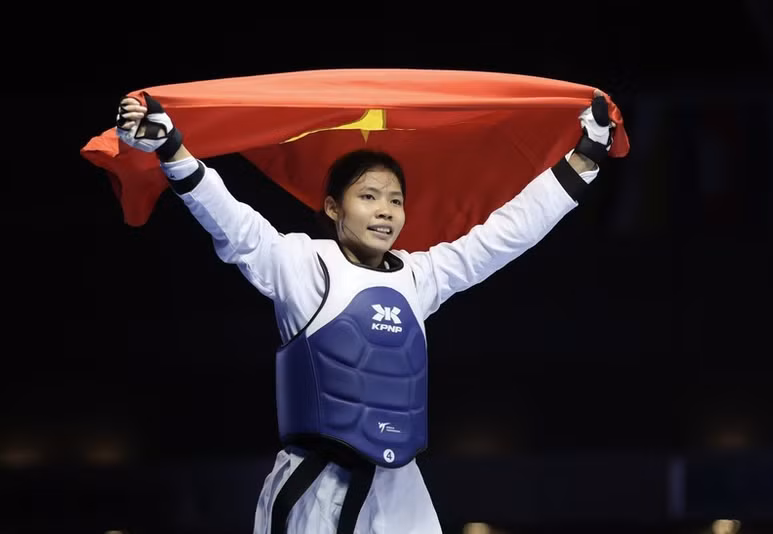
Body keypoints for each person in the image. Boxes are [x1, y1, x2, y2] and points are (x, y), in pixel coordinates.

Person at [115, 87, 616, 534]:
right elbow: (232, 222)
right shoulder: (301, 264)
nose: (385, 211)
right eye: (369, 196)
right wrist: (172, 150)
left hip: (400, 489)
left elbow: (507, 234)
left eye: (395, 200)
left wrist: (584, 159)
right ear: (334, 208)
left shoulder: (420, 276)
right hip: (315, 487)